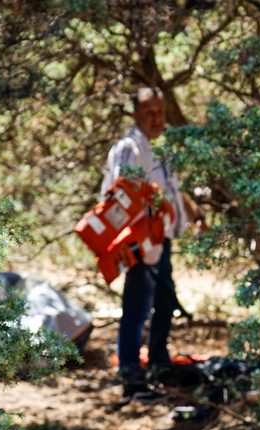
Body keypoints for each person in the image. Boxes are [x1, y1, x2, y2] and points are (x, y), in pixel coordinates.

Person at [100, 86, 196, 403]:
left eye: (160, 112)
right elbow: (120, 194)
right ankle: (131, 376)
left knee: (165, 303)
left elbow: (171, 190)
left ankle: (158, 363)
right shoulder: (129, 148)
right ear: (136, 114)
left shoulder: (160, 148)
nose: (156, 118)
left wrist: (191, 211)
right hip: (140, 242)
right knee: (137, 307)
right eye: (149, 112)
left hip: (161, 239)